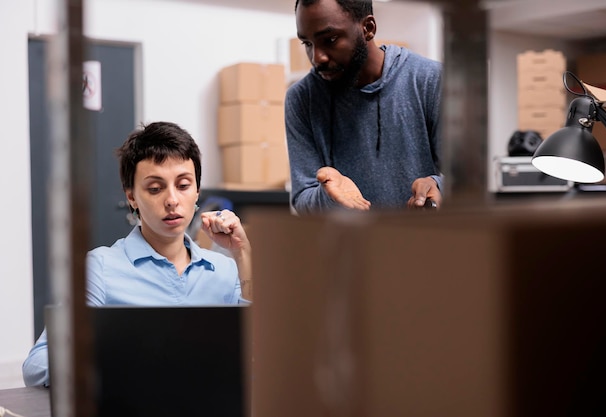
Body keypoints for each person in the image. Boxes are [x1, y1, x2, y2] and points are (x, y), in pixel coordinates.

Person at [22, 121, 252, 387]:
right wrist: (124, 362)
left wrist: (242, 254)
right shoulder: (101, 268)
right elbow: (38, 365)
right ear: (131, 196)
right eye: (155, 188)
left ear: (197, 191)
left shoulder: (223, 269)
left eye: (184, 185)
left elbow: (261, 352)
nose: (172, 200)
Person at [286, 0, 443, 214]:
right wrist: (329, 195)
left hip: (424, 243)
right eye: (308, 44)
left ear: (368, 28)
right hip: (349, 246)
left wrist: (436, 185)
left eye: (330, 40)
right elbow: (303, 198)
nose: (317, 57)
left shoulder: (429, 80)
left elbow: (466, 180)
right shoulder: (302, 99)